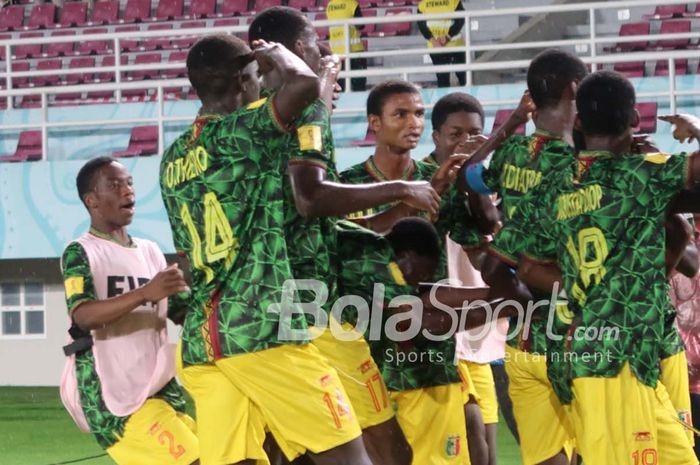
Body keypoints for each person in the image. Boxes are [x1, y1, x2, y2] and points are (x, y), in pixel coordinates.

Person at [160, 34, 372, 465]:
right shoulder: (240, 132)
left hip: (203, 340)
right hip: (261, 326)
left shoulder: (173, 158)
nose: (261, 84)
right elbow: (303, 86)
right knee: (351, 457)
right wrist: (275, 50)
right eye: (255, 76)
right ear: (242, 79)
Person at [248, 9, 445, 465]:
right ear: (297, 51)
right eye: (316, 43)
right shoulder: (300, 117)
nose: (326, 52)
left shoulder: (242, 126)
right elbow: (311, 199)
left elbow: (322, 222)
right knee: (381, 448)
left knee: (285, 448)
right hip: (306, 309)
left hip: (270, 309)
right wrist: (400, 189)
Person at [498, 70, 700, 465]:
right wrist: (694, 127)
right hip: (612, 363)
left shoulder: (551, 186)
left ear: (578, 122)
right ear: (633, 120)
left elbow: (525, 266)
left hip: (607, 353)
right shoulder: (640, 175)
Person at [340, 79, 496, 465]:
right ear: (375, 122)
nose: (413, 122)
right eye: (401, 114)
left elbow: (481, 247)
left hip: (429, 361)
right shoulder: (348, 186)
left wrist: (473, 181)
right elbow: (343, 251)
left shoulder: (438, 177)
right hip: (363, 359)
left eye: (419, 114)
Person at [460, 48, 588, 465]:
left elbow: (469, 175)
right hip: (574, 335)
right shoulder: (577, 165)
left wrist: (509, 125)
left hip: (521, 337)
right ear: (574, 89)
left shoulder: (513, 153)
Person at [59, 156, 199, 465]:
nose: (127, 190)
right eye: (114, 185)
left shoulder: (149, 251)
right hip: (115, 400)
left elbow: (182, 311)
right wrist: (145, 293)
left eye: (129, 183)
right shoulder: (80, 252)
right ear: (92, 200)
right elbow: (82, 315)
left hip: (160, 388)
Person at [424, 91, 504, 465]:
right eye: (456, 134)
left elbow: (491, 229)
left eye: (475, 135)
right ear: (436, 135)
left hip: (478, 328)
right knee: (470, 432)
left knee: (486, 440)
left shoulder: (487, 186)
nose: (465, 142)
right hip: (435, 326)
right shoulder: (420, 182)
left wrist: (474, 176)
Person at [417, 0, 466, 87]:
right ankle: (467, 99)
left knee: (444, 80)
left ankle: (446, 100)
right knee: (463, 78)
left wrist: (433, 40)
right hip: (454, 45)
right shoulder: (454, 1)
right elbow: (460, 20)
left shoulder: (423, 4)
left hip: (438, 46)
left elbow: (421, 25)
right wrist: (447, 36)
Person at [326, 0, 367, 91]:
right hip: (354, 49)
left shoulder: (330, 5)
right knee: (359, 84)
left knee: (341, 85)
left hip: (336, 50)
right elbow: (360, 25)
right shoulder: (351, 3)